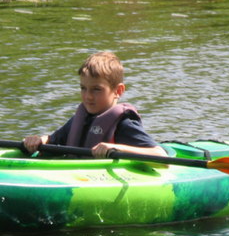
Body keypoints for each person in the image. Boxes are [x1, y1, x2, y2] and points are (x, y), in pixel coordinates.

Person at [23, 51, 163, 159]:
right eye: (83, 88)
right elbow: (53, 140)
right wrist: (38, 140)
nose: (88, 96)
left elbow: (160, 155)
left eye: (96, 89)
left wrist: (117, 148)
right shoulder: (79, 119)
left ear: (118, 91)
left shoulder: (124, 124)